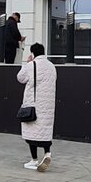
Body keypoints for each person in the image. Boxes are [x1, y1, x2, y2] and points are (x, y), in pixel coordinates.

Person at [18, 42, 57, 172]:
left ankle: (34, 160)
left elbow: (20, 78)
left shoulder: (32, 65)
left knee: (31, 132)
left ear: (33, 53)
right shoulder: (52, 66)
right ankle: (47, 153)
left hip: (33, 104)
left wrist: (27, 63)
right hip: (49, 106)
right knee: (44, 132)